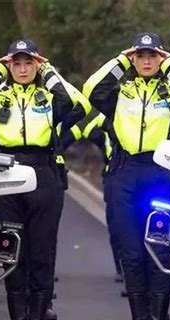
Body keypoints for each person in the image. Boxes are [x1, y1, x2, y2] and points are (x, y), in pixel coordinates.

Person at [0, 39, 88, 320]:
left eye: (28, 63)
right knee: (12, 254)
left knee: (41, 256)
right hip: (8, 177)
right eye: (16, 63)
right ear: (9, 65)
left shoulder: (48, 94)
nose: (21, 69)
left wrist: (48, 70)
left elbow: (72, 104)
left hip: (44, 176)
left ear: (36, 65)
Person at [83, 32, 170, 320]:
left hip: (160, 174)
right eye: (141, 56)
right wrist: (120, 59)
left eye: (153, 55)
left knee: (159, 249)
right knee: (132, 252)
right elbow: (91, 89)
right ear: (134, 59)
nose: (147, 61)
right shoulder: (119, 92)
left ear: (159, 57)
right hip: (125, 174)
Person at [60, 110, 124, 283]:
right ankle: (123, 269)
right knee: (118, 226)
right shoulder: (109, 117)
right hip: (115, 175)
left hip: (147, 173)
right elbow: (86, 129)